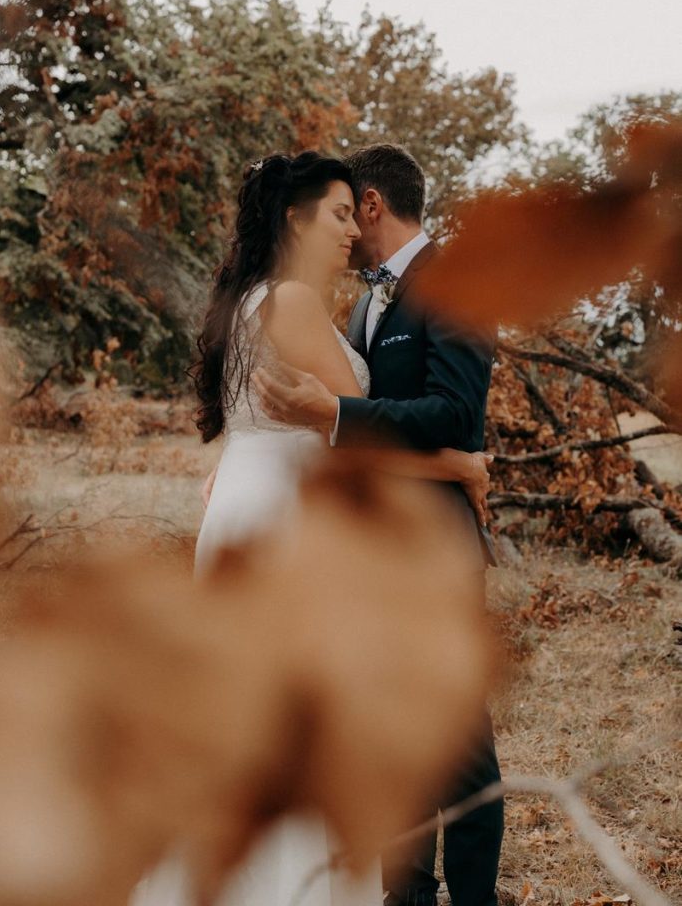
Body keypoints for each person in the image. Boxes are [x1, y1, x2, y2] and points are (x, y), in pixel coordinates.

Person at [136, 151, 491, 906]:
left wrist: (237, 461)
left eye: (350, 213)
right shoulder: (297, 303)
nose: (346, 231)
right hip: (287, 523)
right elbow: (344, 437)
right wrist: (457, 470)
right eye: (333, 214)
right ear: (296, 218)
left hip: (255, 507)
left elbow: (292, 421)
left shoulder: (260, 299)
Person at [254, 144, 504, 906]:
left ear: (369, 204)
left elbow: (455, 414)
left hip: (432, 550)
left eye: (342, 210)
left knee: (458, 748)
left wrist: (336, 415)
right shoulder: (366, 302)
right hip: (365, 554)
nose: (338, 230)